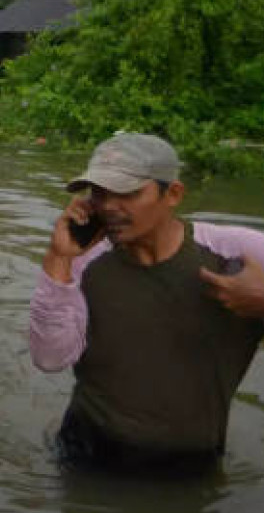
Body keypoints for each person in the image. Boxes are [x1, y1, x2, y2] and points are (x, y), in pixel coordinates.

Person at [29, 133, 264, 473]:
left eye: (126, 193)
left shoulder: (236, 253)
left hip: (192, 464)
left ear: (173, 194)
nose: (109, 206)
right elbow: (50, 358)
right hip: (85, 455)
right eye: (99, 193)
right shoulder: (81, 262)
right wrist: (57, 259)